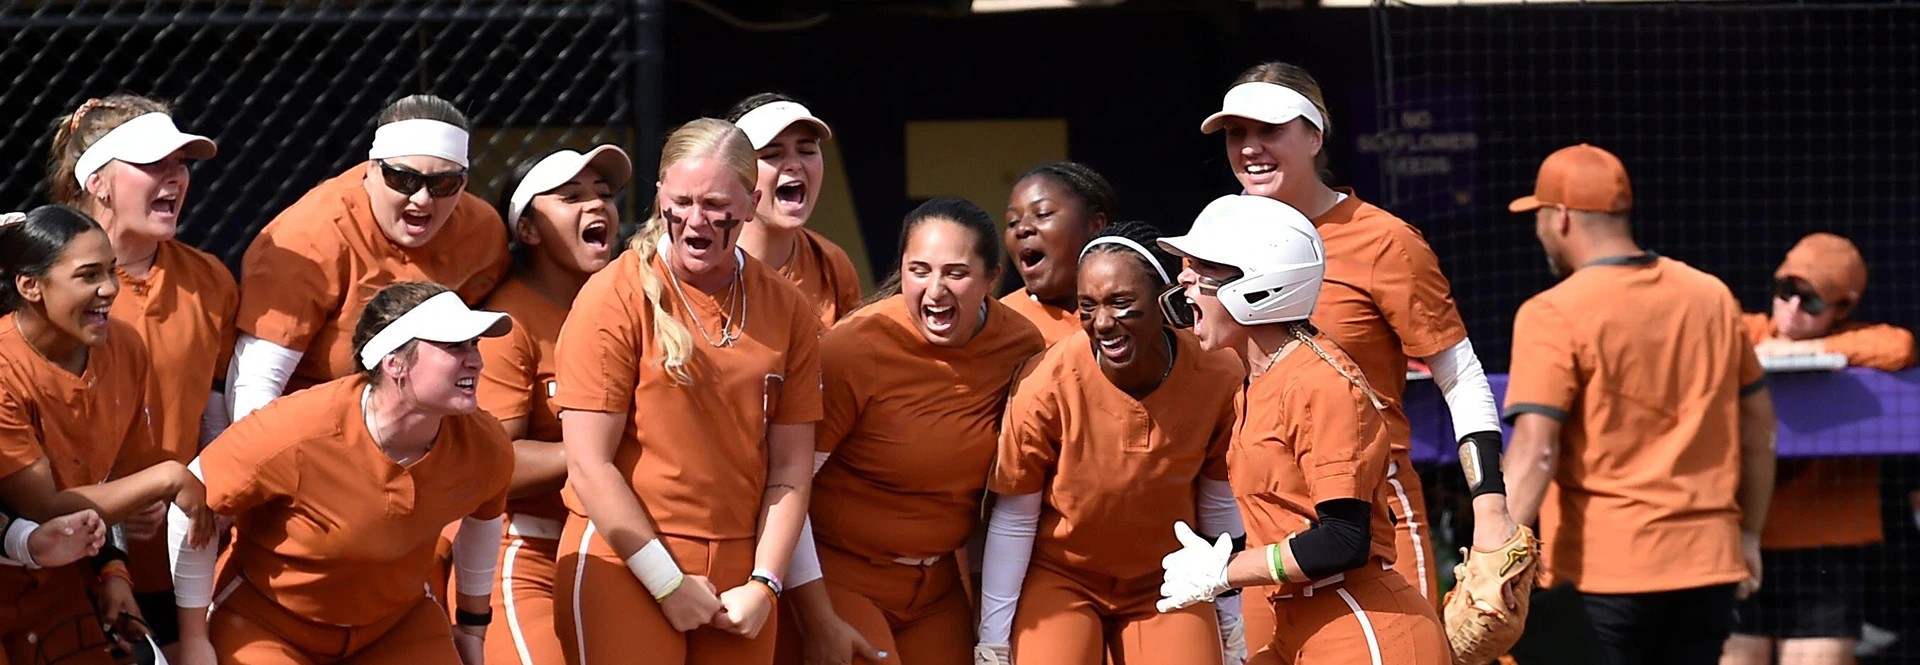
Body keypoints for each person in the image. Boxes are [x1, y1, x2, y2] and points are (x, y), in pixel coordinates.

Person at [1201, 63, 1518, 625]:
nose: (1250, 147)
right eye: (1236, 132)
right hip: (1265, 517)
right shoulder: (1214, 238)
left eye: (1270, 129)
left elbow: (1461, 376)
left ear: (1315, 135)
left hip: (1373, 512)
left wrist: (1491, 508)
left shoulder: (1384, 240)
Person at [553, 118, 818, 665]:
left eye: (716, 204)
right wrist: (667, 582)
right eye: (681, 201)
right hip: (627, 557)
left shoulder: (786, 306)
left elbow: (791, 468)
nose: (696, 220)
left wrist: (765, 583)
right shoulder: (615, 295)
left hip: (739, 570)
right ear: (659, 198)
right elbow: (588, 464)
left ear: (752, 203)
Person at [1501, 144, 1776, 665]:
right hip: (1709, 566)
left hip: (1603, 575)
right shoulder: (1712, 296)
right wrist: (1749, 535)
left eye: (1538, 215)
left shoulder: (1552, 312)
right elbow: (1760, 432)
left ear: (1561, 217)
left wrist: (1491, 560)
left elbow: (1537, 451)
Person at [1154, 194, 1447, 665]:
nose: (1185, 279)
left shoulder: (1318, 383)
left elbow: (1343, 540)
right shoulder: (1256, 379)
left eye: (1205, 267)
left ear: (1258, 284)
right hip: (1297, 622)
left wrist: (1226, 571)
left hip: (1358, 625)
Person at [168, 281, 514, 665]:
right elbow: (189, 502)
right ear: (394, 363)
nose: (476, 361)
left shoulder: (484, 443)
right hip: (268, 624)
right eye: (455, 346)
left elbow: (484, 521)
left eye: (474, 345)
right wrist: (194, 640)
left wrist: (472, 628)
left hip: (394, 625)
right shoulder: (295, 429)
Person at [773, 197, 1043, 665]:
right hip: (839, 577)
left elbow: (1015, 496)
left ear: (992, 279)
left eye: (955, 273)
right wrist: (817, 618)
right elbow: (785, 488)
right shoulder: (853, 349)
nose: (935, 290)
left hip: (938, 588)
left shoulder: (1021, 345)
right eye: (919, 270)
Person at [974, 221, 1244, 665]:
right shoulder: (1046, 382)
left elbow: (1218, 503)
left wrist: (1231, 620)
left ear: (1165, 301)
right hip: (1063, 577)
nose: (1102, 322)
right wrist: (994, 645)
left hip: (1169, 574)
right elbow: (1015, 519)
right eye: (1088, 306)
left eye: (1121, 303)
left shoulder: (1217, 373)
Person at [46, 93, 236, 657]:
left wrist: (220, 490)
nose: (175, 176)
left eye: (180, 163)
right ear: (98, 182)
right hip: (64, 554)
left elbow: (215, 405)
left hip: (185, 552)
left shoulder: (210, 280)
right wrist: (118, 515)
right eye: (154, 163)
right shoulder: (43, 284)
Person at [0, 205, 215, 665]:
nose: (110, 288)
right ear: (30, 286)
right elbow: (44, 510)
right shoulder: (4, 368)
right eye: (88, 275)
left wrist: (114, 573)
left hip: (68, 581)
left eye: (111, 270)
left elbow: (116, 478)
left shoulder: (124, 345)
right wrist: (168, 478)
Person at [229, 94, 510, 421]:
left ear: (463, 183)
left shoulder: (482, 233)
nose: (422, 199)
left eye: (443, 183)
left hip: (428, 422)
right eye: (403, 179)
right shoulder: (311, 236)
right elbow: (256, 383)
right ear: (372, 170)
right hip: (314, 423)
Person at [1722, 232, 1916, 665]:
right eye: (1786, 291)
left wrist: (1807, 350)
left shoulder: (1858, 339)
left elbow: (1899, 346)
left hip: (1824, 547)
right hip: (1744, 540)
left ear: (1841, 308)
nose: (1792, 309)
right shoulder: (1748, 331)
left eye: (1810, 302)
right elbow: (1706, 328)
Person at [475, 144, 631, 665]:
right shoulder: (507, 323)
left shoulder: (632, 304)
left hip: (619, 550)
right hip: (529, 553)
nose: (597, 205)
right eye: (571, 197)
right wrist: (595, 451)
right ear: (528, 230)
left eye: (604, 194)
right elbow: (494, 463)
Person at [726, 93, 865, 326]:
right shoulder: (700, 263)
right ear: (733, 170)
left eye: (807, 151)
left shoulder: (832, 264)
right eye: (772, 154)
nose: (794, 165)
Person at [1001, 162, 1117, 346]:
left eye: (1043, 214)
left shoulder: (1144, 308)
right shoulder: (999, 326)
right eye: (1012, 222)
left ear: (1096, 225)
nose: (1022, 228)